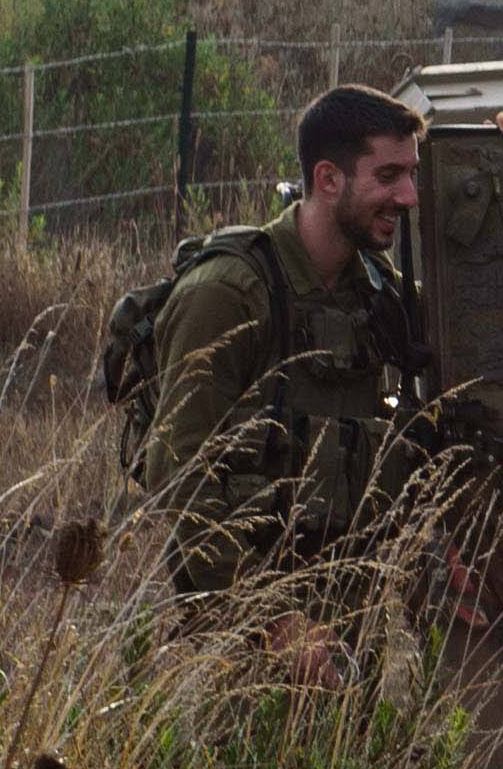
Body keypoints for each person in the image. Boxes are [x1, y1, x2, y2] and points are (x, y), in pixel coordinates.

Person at [143, 85, 434, 599]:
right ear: (328, 179)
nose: (408, 197)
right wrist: (271, 620)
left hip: (348, 608)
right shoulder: (228, 293)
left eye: (412, 175)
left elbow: (476, 332)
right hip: (242, 623)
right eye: (388, 176)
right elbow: (176, 470)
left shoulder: (375, 291)